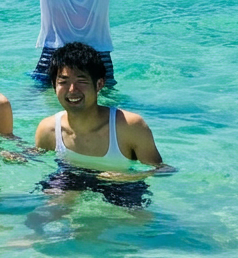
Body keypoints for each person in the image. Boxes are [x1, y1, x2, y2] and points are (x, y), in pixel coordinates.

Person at [33, 42, 173, 209]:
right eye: (63, 81)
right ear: (54, 86)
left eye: (81, 80)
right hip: (70, 177)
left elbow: (163, 170)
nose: (72, 89)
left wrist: (125, 177)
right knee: (43, 215)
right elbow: (37, 156)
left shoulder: (129, 126)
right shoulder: (48, 128)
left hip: (122, 184)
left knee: (140, 225)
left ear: (99, 84)